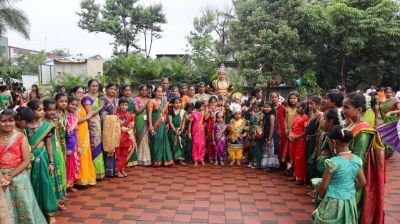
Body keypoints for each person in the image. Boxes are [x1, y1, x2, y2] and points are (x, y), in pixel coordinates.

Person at [343, 92, 385, 224]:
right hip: (347, 169)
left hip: (355, 176)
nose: (343, 110)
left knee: (353, 208)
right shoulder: (352, 125)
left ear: (359, 110)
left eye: (346, 107)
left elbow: (357, 158)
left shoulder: (363, 130)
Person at [0, 109, 47, 224]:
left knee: (23, 206)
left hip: (19, 177)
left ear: (15, 121)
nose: (7, 124)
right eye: (3, 121)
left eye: (11, 120)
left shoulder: (21, 137)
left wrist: (10, 176)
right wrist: (2, 177)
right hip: (0, 177)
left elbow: (26, 161)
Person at [313, 125, 366, 224]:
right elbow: (362, 182)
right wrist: (350, 190)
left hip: (332, 201)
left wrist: (319, 199)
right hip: (349, 201)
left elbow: (323, 187)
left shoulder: (333, 162)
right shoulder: (357, 160)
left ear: (333, 142)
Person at [26, 100, 58, 223]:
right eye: (39, 110)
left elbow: (49, 144)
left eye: (42, 109)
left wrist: (51, 162)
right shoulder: (24, 126)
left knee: (45, 183)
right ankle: (35, 211)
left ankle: (50, 213)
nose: (43, 112)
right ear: (31, 111)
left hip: (42, 156)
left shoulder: (46, 126)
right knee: (31, 184)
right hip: (28, 159)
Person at [43, 99, 67, 210]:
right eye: (49, 110)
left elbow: (57, 135)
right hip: (48, 151)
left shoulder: (55, 120)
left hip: (56, 149)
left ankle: (59, 198)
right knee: (51, 176)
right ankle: (54, 201)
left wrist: (61, 149)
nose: (52, 112)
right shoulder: (42, 123)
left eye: (53, 110)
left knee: (59, 173)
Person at [70, 86, 96, 186]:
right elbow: (78, 120)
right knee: (80, 153)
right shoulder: (74, 105)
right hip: (78, 130)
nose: (81, 94)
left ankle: (86, 177)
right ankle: (79, 178)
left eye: (82, 92)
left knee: (86, 153)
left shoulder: (80, 104)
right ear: (73, 93)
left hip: (85, 130)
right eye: (78, 92)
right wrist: (89, 115)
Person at [82, 79, 105, 179]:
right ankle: (94, 172)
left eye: (96, 86)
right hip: (91, 124)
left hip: (97, 122)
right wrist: (100, 107)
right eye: (92, 86)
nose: (95, 88)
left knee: (98, 144)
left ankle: (99, 171)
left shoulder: (95, 97)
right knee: (94, 145)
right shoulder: (86, 98)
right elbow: (90, 113)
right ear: (88, 87)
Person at [148, 86, 174, 166]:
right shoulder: (151, 101)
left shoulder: (165, 102)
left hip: (162, 124)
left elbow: (165, 113)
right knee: (155, 141)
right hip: (154, 124)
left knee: (163, 141)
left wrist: (166, 123)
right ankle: (156, 160)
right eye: (158, 91)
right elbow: (149, 115)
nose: (160, 93)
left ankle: (165, 160)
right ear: (154, 92)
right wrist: (150, 125)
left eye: (161, 91)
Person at [100, 83, 120, 177]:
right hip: (106, 126)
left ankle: (115, 169)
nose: (113, 91)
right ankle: (107, 170)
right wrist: (110, 118)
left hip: (116, 126)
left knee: (115, 146)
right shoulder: (102, 99)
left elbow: (120, 112)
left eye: (115, 89)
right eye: (111, 89)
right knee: (107, 146)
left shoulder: (117, 100)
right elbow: (102, 113)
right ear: (106, 89)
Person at [288, 102, 309, 185]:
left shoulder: (306, 118)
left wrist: (297, 137)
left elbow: (305, 131)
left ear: (303, 109)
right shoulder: (297, 117)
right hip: (293, 140)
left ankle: (300, 177)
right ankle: (295, 175)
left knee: (299, 158)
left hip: (300, 141)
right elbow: (292, 128)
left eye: (298, 107)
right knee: (293, 157)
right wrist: (290, 135)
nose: (297, 109)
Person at [115, 98, 135, 177]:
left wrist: (132, 124)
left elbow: (132, 121)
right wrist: (122, 126)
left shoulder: (129, 114)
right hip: (119, 137)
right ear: (119, 106)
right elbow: (116, 126)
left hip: (127, 137)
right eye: (122, 105)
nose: (124, 106)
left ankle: (123, 169)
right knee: (118, 154)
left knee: (124, 154)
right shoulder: (116, 115)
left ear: (128, 106)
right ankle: (118, 170)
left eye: (125, 105)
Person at [305, 96, 323, 184]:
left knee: (312, 160)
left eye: (311, 104)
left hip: (314, 139)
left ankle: (313, 182)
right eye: (308, 104)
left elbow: (319, 130)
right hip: (308, 138)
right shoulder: (311, 114)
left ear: (318, 104)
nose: (309, 106)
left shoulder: (320, 115)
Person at [377, 87, 398, 158]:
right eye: (387, 92)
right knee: (384, 135)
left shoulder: (395, 100)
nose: (389, 93)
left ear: (392, 93)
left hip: (392, 120)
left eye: (390, 92)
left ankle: (389, 152)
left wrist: (391, 112)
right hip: (385, 120)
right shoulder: (383, 100)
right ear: (384, 93)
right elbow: (379, 109)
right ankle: (387, 152)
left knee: (389, 136)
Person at [64, 96, 80, 191]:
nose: (74, 106)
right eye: (72, 104)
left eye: (76, 105)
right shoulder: (63, 116)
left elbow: (76, 131)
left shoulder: (74, 116)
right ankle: (66, 185)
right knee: (67, 165)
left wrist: (78, 145)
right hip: (66, 143)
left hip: (73, 143)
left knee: (73, 164)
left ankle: (71, 184)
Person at [134, 85, 152, 166]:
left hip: (147, 121)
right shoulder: (136, 99)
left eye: (146, 90)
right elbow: (137, 111)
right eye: (142, 90)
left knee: (146, 139)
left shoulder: (149, 100)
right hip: (139, 120)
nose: (144, 92)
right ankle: (138, 159)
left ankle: (145, 159)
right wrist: (145, 105)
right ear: (140, 91)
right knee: (139, 139)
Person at [283, 91, 300, 173]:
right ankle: (288, 167)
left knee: (295, 149)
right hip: (289, 131)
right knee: (288, 150)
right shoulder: (287, 108)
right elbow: (285, 120)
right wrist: (286, 129)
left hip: (296, 131)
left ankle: (294, 167)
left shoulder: (299, 109)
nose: (292, 100)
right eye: (291, 98)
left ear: (298, 99)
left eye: (294, 98)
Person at [261, 101, 280, 170]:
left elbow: (272, 128)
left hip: (271, 136)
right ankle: (267, 165)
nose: (266, 108)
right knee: (267, 150)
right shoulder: (265, 115)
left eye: (268, 107)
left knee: (271, 150)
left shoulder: (271, 116)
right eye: (265, 107)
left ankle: (271, 166)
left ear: (271, 108)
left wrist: (269, 138)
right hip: (266, 135)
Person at [167, 97, 186, 164]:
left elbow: (183, 122)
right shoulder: (171, 111)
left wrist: (181, 130)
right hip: (172, 130)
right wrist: (175, 130)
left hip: (180, 130)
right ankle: (173, 159)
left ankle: (180, 159)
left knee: (180, 145)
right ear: (173, 104)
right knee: (172, 143)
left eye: (179, 103)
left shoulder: (183, 112)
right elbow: (170, 122)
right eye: (176, 103)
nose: (177, 104)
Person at [188, 101, 206, 166]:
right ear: (198, 106)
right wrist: (189, 132)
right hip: (195, 130)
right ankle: (195, 159)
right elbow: (190, 123)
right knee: (195, 144)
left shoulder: (203, 113)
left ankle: (201, 159)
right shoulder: (193, 113)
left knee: (202, 144)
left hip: (201, 130)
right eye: (202, 106)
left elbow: (205, 120)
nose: (203, 107)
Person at [249, 102, 264, 168]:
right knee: (252, 147)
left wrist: (257, 133)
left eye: (256, 108)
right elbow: (250, 123)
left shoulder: (261, 115)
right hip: (251, 131)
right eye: (254, 108)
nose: (255, 109)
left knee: (256, 147)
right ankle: (252, 161)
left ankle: (257, 162)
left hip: (257, 132)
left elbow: (260, 124)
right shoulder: (252, 114)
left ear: (260, 108)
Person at [204, 96, 218, 163]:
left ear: (217, 103)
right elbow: (205, 118)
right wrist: (210, 112)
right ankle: (209, 157)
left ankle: (215, 156)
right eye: (211, 102)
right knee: (209, 141)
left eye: (214, 102)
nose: (213, 104)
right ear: (209, 103)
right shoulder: (207, 109)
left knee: (216, 141)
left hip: (217, 128)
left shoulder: (219, 109)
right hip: (209, 127)